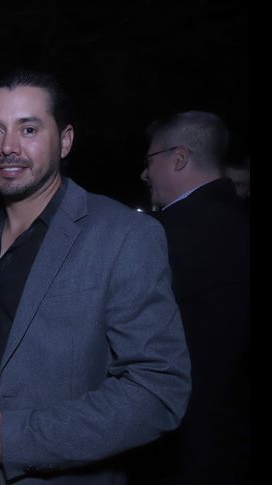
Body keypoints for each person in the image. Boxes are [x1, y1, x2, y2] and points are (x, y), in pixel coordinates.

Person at [0, 68, 192, 485]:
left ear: (65, 141)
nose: (8, 147)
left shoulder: (124, 235)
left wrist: (16, 439)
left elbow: (158, 392)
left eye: (28, 129)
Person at [133, 111, 250, 484]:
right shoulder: (241, 222)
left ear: (178, 158)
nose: (144, 174)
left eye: (150, 161)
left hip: (181, 445)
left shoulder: (163, 237)